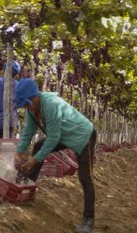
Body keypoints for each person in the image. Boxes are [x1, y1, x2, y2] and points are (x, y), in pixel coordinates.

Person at [13, 78, 96, 233]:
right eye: (24, 105)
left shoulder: (51, 104)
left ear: (34, 97)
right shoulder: (32, 110)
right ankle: (28, 188)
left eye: (27, 103)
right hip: (64, 135)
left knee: (86, 178)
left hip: (83, 136)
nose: (26, 107)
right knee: (38, 147)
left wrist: (35, 159)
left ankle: (88, 220)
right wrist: (19, 150)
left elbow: (53, 138)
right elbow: (28, 132)